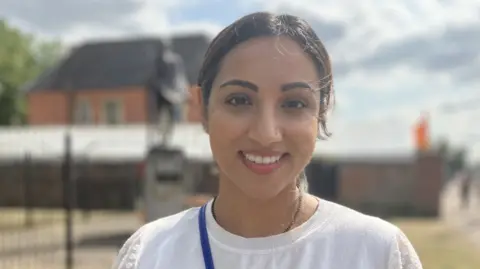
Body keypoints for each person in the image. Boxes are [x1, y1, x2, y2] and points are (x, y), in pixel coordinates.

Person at [112, 12, 422, 269]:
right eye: (238, 100)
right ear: (201, 108)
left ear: (321, 112)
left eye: (295, 103)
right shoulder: (149, 254)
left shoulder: (377, 253)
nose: (266, 133)